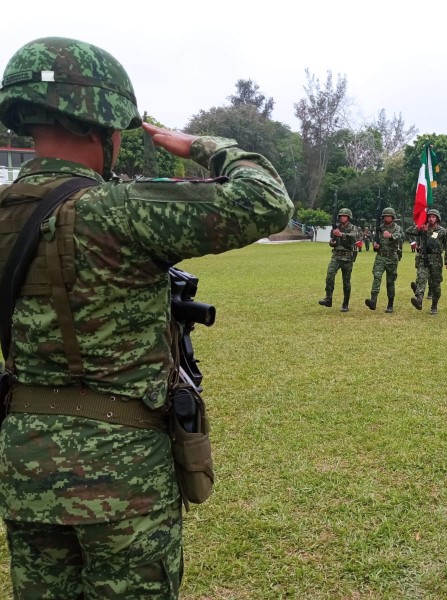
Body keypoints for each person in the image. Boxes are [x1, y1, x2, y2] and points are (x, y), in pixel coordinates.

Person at [0, 37, 293, 598]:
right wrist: (199, 144)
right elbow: (266, 199)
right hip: (121, 472)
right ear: (104, 127)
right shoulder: (120, 210)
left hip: (24, 460)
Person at [409, 209, 447, 314]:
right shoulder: (423, 228)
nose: (431, 219)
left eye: (433, 217)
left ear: (437, 218)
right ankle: (419, 300)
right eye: (429, 216)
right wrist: (420, 225)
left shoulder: (442, 231)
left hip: (436, 259)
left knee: (435, 285)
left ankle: (434, 306)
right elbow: (409, 231)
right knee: (421, 278)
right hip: (424, 258)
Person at [365, 207, 403, 313]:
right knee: (377, 277)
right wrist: (375, 246)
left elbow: (399, 236)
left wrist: (390, 236)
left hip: (392, 257)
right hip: (380, 256)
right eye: (385, 216)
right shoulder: (379, 228)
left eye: (388, 216)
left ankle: (390, 305)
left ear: (393, 217)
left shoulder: (397, 227)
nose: (386, 218)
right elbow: (375, 241)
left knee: (390, 282)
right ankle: (373, 300)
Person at [319, 208, 358, 312]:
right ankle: (328, 298)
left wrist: (341, 235)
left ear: (348, 217)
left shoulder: (353, 228)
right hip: (336, 256)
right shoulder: (336, 228)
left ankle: (345, 304)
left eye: (344, 216)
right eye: (340, 216)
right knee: (329, 276)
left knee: (346, 282)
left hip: (347, 258)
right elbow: (332, 241)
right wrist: (332, 242)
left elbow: (354, 237)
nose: (342, 217)